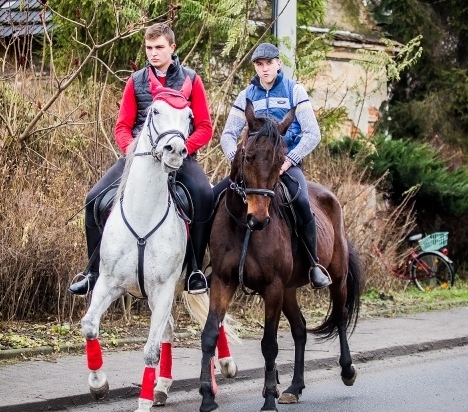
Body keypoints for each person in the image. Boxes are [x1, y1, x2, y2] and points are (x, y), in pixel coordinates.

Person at [69, 22, 214, 296]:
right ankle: (92, 272)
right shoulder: (135, 81)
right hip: (141, 157)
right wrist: (131, 150)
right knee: (93, 198)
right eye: (149, 48)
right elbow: (122, 126)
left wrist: (183, 148)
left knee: (205, 195)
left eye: (159, 47)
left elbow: (205, 127)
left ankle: (194, 269)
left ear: (172, 47)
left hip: (179, 158)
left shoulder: (192, 80)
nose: (153, 53)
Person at [218, 42, 331, 289]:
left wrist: (289, 160)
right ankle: (205, 267)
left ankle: (313, 265)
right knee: (214, 198)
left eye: (269, 63)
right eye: (259, 64)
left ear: (278, 64)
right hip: (252, 168)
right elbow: (227, 135)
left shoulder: (294, 91)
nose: (264, 69)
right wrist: (237, 161)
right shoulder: (246, 94)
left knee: (301, 202)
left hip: (285, 165)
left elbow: (313, 133)